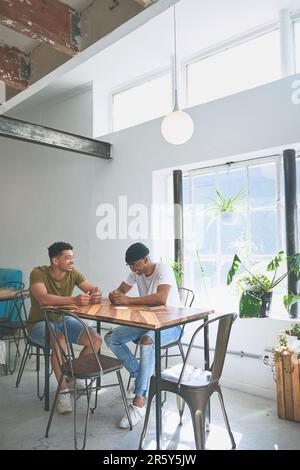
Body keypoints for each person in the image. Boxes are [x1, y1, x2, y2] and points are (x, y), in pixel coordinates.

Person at [105, 242, 181, 428]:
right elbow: (120, 290)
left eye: (136, 264)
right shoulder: (135, 272)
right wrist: (115, 295)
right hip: (147, 321)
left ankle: (139, 402)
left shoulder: (163, 270)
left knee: (147, 341)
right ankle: (142, 376)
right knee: (111, 338)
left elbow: (161, 298)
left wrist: (128, 300)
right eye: (130, 266)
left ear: (146, 259)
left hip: (173, 324)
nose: (133, 269)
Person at [27, 242, 102, 414]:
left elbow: (91, 289)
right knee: (59, 340)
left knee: (96, 340)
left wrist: (96, 293)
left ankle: (73, 375)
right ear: (55, 260)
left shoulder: (73, 273)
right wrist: (74, 300)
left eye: (73, 257)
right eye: (67, 258)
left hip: (64, 319)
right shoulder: (38, 273)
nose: (72, 261)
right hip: (39, 322)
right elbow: (43, 299)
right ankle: (63, 392)